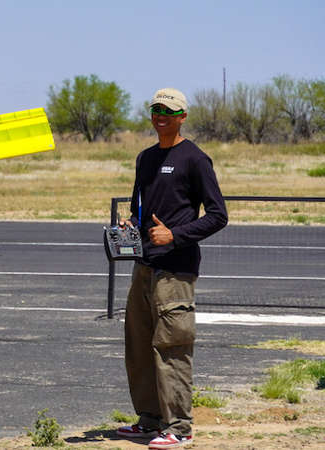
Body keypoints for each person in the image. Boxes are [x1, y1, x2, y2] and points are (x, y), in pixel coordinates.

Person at [115, 88, 228, 449]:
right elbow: (139, 207)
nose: (161, 114)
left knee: (172, 348)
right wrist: (130, 223)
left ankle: (179, 427)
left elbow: (217, 216)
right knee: (138, 347)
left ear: (182, 116)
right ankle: (149, 419)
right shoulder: (145, 159)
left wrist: (175, 235)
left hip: (176, 272)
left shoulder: (195, 159)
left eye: (169, 109)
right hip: (144, 267)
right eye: (156, 109)